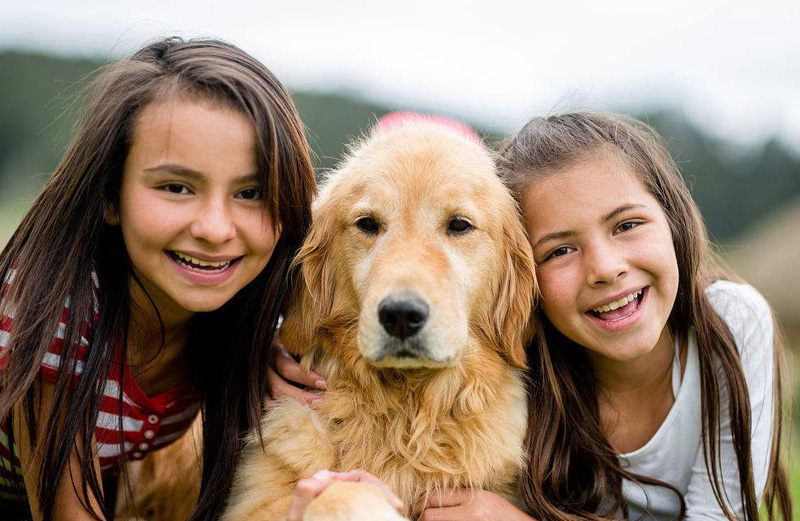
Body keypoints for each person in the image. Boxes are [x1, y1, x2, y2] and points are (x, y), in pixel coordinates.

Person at [270, 112, 792, 521]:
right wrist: (264, 349)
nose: (606, 269)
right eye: (561, 250)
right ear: (532, 282)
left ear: (674, 218)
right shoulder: (547, 338)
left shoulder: (729, 323)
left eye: (627, 224)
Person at [0, 37, 316, 521]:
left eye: (251, 192)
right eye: (176, 187)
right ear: (109, 196)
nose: (214, 229)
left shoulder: (244, 319)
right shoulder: (53, 304)